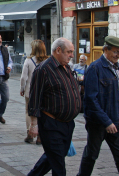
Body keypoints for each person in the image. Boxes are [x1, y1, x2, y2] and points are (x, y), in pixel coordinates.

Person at [77, 36, 119, 176]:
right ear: (106, 50)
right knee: (91, 155)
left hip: (117, 120)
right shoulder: (95, 68)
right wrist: (106, 121)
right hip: (98, 122)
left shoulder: (118, 68)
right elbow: (90, 99)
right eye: (115, 52)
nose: (118, 55)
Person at [28, 38, 81, 176]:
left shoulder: (67, 68)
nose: (71, 55)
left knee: (54, 157)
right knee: (59, 166)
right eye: (69, 52)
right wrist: (34, 124)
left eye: (72, 52)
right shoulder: (43, 69)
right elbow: (34, 99)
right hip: (51, 124)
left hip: (68, 124)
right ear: (58, 50)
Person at [20, 39, 49, 144]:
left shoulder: (29, 60)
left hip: (30, 90)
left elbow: (23, 77)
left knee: (29, 111)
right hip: (44, 91)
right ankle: (40, 135)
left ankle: (30, 133)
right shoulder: (48, 60)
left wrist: (22, 88)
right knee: (42, 112)